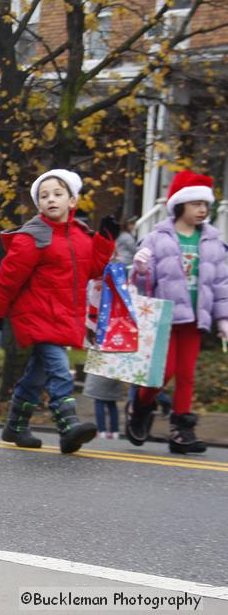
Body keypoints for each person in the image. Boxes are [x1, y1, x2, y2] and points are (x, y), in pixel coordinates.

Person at [0, 169, 115, 453]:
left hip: (64, 316)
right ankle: (68, 426)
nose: (50, 199)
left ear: (72, 201)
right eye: (44, 196)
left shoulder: (82, 235)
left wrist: (105, 240)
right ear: (38, 205)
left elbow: (93, 270)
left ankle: (16, 426)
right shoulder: (34, 236)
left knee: (37, 376)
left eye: (58, 194)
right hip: (37, 316)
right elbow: (9, 277)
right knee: (60, 371)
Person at [126, 170, 228, 454]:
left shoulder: (212, 241)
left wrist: (223, 318)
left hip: (195, 320)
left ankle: (182, 431)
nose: (202, 210)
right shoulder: (158, 238)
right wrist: (142, 269)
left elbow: (221, 283)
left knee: (186, 375)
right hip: (165, 319)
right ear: (180, 205)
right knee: (163, 373)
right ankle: (140, 407)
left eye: (205, 205)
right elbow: (143, 286)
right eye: (196, 204)